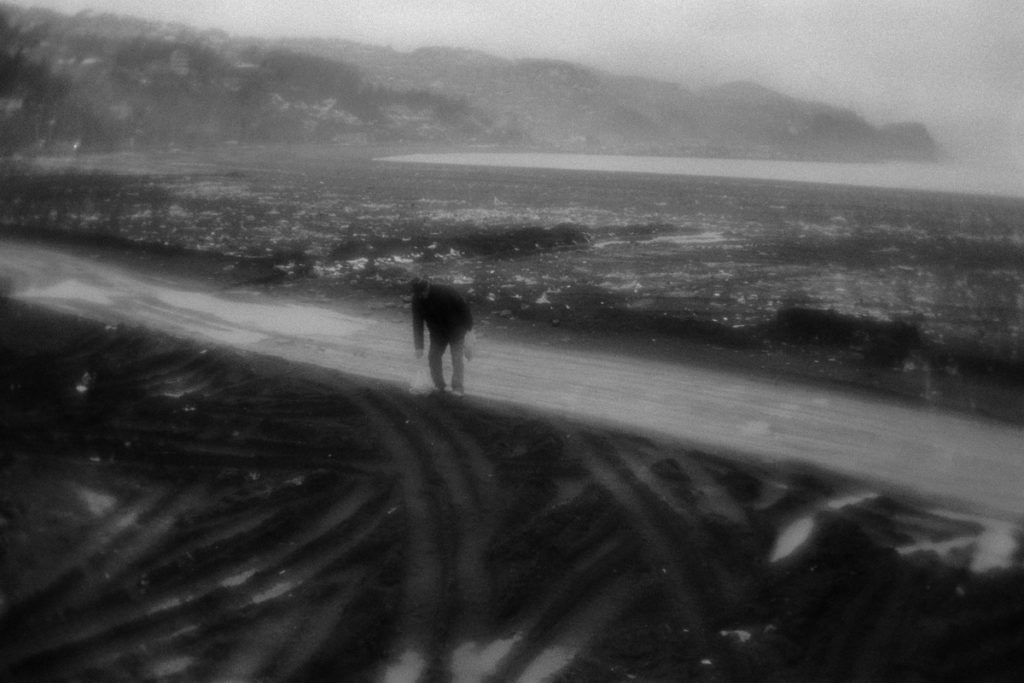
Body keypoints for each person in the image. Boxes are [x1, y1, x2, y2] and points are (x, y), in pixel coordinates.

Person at [411, 277, 473, 396]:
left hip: (456, 330)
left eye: (424, 292)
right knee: (433, 357)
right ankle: (439, 385)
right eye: (419, 294)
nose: (422, 296)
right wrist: (419, 346)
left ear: (428, 287)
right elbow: (417, 322)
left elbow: (464, 307)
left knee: (457, 358)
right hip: (437, 333)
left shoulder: (446, 290)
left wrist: (469, 329)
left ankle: (458, 387)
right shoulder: (417, 299)